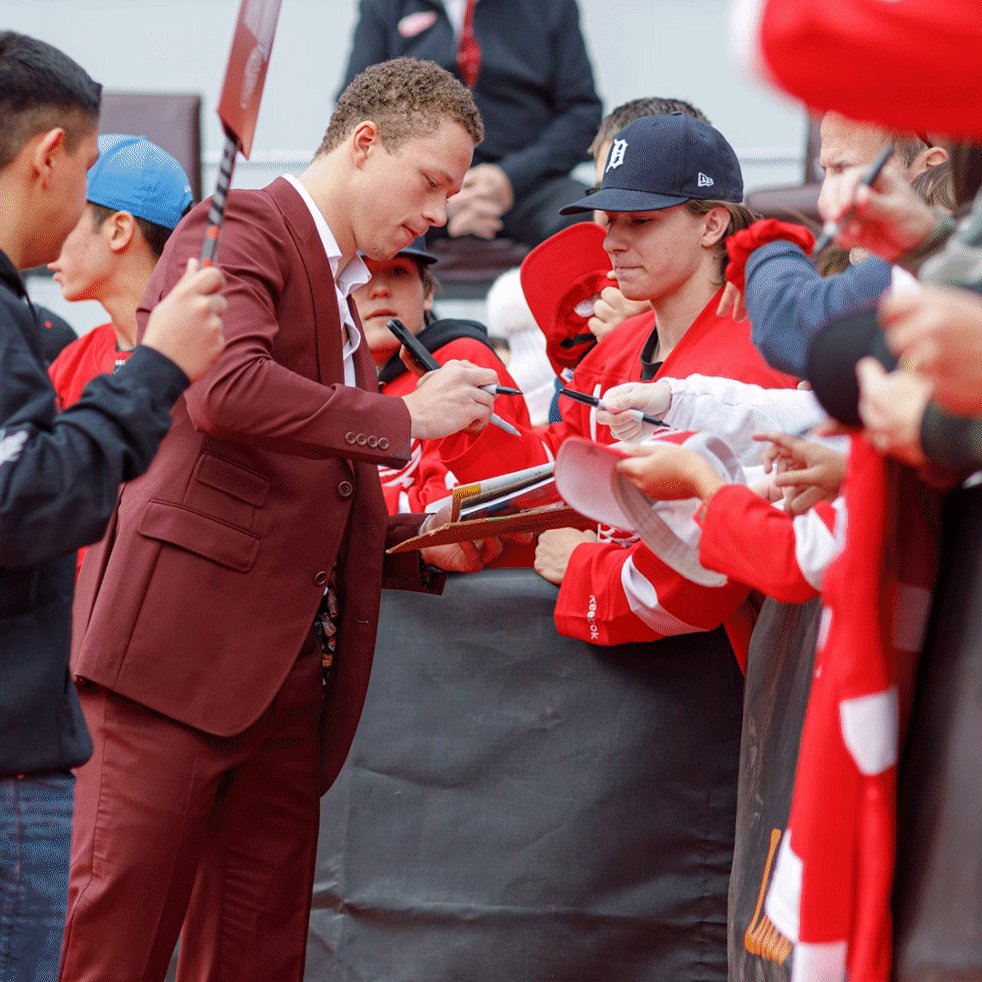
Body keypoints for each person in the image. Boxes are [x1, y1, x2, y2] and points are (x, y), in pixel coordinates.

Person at [60, 57, 508, 982]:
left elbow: (307, 488)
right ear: (365, 142)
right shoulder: (242, 224)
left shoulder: (338, 288)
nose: (438, 212)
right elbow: (224, 390)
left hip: (284, 680)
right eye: (431, 181)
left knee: (257, 958)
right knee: (117, 944)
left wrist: (424, 540)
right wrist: (401, 418)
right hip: (174, 664)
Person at [0, 30, 226, 982]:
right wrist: (159, 372)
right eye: (85, 164)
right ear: (51, 158)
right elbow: (27, 501)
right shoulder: (52, 342)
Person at [440, 112, 797, 659]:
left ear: (712, 225)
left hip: (712, 687)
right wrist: (475, 439)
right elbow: (564, 467)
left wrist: (582, 565)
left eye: (642, 222)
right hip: (620, 685)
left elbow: (704, 579)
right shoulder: (620, 345)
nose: (611, 242)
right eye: (608, 220)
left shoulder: (756, 358)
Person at [339, 0, 602, 246]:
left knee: (587, 216)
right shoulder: (386, 5)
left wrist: (508, 178)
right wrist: (436, 189)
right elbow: (358, 107)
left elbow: (583, 113)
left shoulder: (550, 5)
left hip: (527, 184)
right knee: (369, 215)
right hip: (420, 181)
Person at [356, 237, 530, 512]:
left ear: (428, 295)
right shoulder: (342, 379)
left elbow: (456, 505)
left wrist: (342, 508)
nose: (379, 289)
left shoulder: (460, 359)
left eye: (398, 271)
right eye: (362, 275)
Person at [48, 133, 193, 409]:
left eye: (61, 217)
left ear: (118, 231)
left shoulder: (211, 360)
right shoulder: (68, 366)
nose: (47, 237)